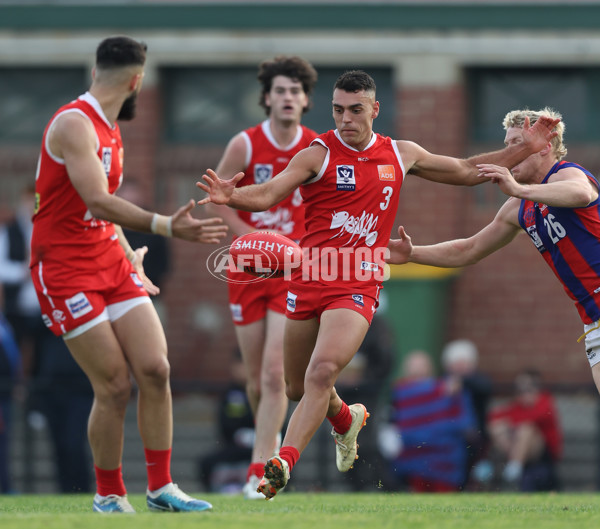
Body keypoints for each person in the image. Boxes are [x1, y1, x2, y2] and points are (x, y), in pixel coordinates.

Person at [197, 70, 559, 499]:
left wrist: (525, 150)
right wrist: (232, 196)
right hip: (310, 275)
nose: (345, 119)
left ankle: (281, 463)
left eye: (355, 110)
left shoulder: (400, 154)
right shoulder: (317, 154)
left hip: (358, 280)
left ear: (374, 109)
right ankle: (345, 420)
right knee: (296, 386)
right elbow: (270, 193)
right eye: (337, 110)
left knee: (322, 370)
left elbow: (464, 170)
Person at [29, 36, 227, 513]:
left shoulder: (111, 127)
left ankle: (160, 489)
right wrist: (164, 226)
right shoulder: (74, 124)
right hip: (64, 270)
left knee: (156, 370)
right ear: (137, 80)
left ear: (98, 71)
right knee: (114, 384)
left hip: (109, 260)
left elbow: (101, 212)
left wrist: (128, 253)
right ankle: (109, 495)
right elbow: (97, 199)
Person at [387, 108, 600, 401]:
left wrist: (519, 190)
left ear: (545, 147)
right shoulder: (519, 208)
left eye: (517, 144)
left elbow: (582, 194)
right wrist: (412, 254)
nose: (508, 153)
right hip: (593, 320)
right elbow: (469, 249)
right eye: (507, 144)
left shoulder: (565, 173)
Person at [206, 56, 318, 499]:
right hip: (248, 270)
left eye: (295, 91)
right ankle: (264, 447)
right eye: (281, 90)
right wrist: (249, 238)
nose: (288, 97)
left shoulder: (317, 147)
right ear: (267, 97)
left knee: (275, 374)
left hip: (292, 270)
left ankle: (259, 472)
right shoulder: (245, 145)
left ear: (306, 100)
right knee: (255, 380)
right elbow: (218, 198)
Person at [380, 350, 477, 492]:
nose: (417, 371)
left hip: (445, 455)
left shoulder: (450, 389)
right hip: (412, 455)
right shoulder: (397, 393)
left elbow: (463, 420)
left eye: (421, 366)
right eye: (414, 367)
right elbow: (393, 422)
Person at [488, 369, 562, 491]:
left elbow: (536, 417)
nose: (523, 393)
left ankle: (514, 469)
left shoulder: (545, 401)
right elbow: (494, 417)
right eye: (519, 389)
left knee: (526, 429)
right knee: (497, 428)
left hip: (543, 453)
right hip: (516, 449)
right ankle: (511, 467)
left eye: (528, 387)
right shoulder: (518, 405)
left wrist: (511, 423)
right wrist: (506, 424)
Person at [197, 349, 256, 493]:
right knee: (206, 463)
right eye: (241, 364)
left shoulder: (267, 392)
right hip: (235, 448)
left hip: (263, 446)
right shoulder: (230, 394)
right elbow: (225, 425)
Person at [441, 339, 493, 488]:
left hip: (474, 437)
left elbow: (485, 388)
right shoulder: (442, 383)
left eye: (463, 363)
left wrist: (462, 382)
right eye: (456, 364)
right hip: (448, 436)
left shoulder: (478, 381)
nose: (460, 367)